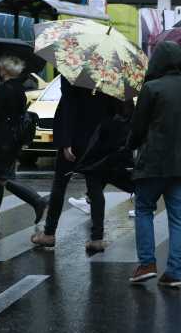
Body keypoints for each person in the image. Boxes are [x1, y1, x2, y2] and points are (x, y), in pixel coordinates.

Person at [127, 41, 181, 287]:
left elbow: (138, 128)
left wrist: (130, 145)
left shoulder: (151, 88)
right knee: (178, 219)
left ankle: (147, 263)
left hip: (154, 163)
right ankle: (174, 273)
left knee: (144, 208)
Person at [30, 74, 122, 253]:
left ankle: (49, 233)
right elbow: (114, 108)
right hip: (97, 139)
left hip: (74, 139)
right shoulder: (108, 72)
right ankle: (97, 238)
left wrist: (66, 142)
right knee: (94, 187)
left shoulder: (73, 69)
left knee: (60, 184)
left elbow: (69, 106)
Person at [0, 55, 46, 225]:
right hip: (14, 139)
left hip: (5, 140)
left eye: (1, 67)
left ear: (5, 70)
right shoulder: (19, 88)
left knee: (2, 177)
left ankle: (37, 201)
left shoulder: (4, 89)